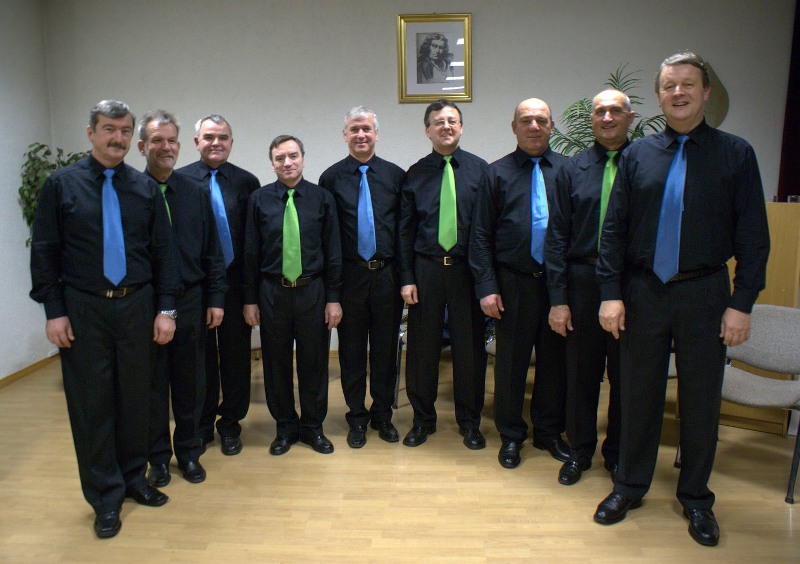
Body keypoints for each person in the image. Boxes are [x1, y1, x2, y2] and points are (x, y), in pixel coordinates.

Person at [593, 52, 770, 547]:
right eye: (669, 85)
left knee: (700, 400)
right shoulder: (637, 155)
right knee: (637, 395)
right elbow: (614, 232)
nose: (678, 93)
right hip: (643, 291)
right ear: (658, 96)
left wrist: (742, 303)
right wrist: (610, 294)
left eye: (688, 84)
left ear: (705, 92)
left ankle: (696, 497)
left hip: (705, 292)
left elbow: (754, 238)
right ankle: (629, 486)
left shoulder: (736, 155)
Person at [30, 100, 179, 538]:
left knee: (136, 401)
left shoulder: (145, 188)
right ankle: (105, 497)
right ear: (91, 132)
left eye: (124, 130)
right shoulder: (61, 185)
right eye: (109, 129)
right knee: (92, 405)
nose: (117, 138)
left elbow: (163, 254)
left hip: (137, 306)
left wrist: (166, 310)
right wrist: (54, 311)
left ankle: (134, 479)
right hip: (84, 309)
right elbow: (44, 251)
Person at [469, 98, 569, 469]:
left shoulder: (569, 171)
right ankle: (511, 435)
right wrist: (487, 286)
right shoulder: (496, 173)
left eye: (541, 119)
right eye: (526, 120)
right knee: (510, 364)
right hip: (512, 283)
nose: (533, 126)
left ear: (551, 125)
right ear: (514, 127)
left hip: (558, 286)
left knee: (554, 362)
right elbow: (480, 234)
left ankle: (548, 432)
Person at [545, 90, 633, 485]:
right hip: (582, 282)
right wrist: (558, 300)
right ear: (592, 118)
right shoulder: (572, 169)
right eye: (600, 111)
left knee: (625, 376)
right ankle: (580, 451)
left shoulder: (644, 164)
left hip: (631, 285)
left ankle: (617, 454)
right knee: (580, 374)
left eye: (615, 111)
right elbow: (556, 238)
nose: (607, 117)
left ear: (630, 117)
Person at [138, 110, 227, 487]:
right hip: (146, 303)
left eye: (171, 140)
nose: (166, 147)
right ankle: (157, 458)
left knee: (191, 383)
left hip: (192, 299)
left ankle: (189, 452)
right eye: (157, 140)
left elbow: (212, 250)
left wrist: (216, 297)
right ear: (141, 146)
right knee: (153, 385)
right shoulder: (131, 193)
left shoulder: (195, 192)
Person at [243, 135, 343, 455]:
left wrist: (334, 298)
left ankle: (313, 427)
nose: (287, 162)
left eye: (293, 155)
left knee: (314, 362)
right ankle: (285, 427)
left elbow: (333, 251)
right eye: (280, 158)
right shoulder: (258, 200)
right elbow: (250, 253)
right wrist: (250, 299)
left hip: (313, 291)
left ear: (303, 158)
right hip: (272, 292)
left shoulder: (322, 199)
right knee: (276, 364)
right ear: (272, 163)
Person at [399, 99, 488, 450]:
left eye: (452, 120)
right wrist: (407, 277)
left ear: (461, 127)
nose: (446, 126)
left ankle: (470, 422)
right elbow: (405, 232)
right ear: (428, 131)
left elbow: (487, 231)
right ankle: (423, 420)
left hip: (467, 270)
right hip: (426, 270)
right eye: (438, 122)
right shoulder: (414, 174)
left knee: (470, 349)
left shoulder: (481, 171)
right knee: (422, 349)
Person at [318, 106, 406, 448]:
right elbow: (328, 239)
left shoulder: (396, 176)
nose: (361, 134)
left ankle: (382, 415)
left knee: (385, 350)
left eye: (366, 128)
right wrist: (332, 291)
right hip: (350, 276)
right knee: (352, 351)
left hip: (386, 275)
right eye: (354, 129)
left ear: (376, 134)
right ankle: (356, 416)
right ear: (345, 135)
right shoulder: (330, 179)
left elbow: (403, 232)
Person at [178, 114, 260, 456]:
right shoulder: (180, 181)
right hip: (196, 288)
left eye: (223, 137)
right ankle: (201, 425)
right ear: (196, 141)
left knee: (236, 358)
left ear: (231, 142)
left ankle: (230, 424)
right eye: (209, 136)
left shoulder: (247, 182)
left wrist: (251, 295)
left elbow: (254, 242)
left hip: (235, 286)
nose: (216, 142)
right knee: (199, 361)